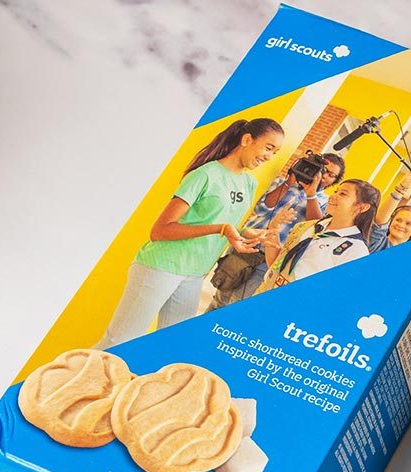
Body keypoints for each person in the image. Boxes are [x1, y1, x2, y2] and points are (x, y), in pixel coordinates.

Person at [96, 118, 283, 348]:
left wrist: (251, 233)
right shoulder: (205, 175)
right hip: (161, 266)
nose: (269, 157)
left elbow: (223, 223)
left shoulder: (249, 184)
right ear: (246, 140)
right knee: (118, 342)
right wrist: (221, 229)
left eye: (275, 152)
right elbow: (160, 230)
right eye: (268, 147)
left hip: (194, 274)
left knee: (171, 346)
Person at [206, 152, 346, 310]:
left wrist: (311, 195)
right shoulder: (283, 183)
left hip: (269, 259)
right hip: (243, 248)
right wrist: (288, 183)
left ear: (334, 181)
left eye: (330, 174)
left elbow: (313, 227)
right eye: (323, 169)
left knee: (239, 306)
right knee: (219, 301)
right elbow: (262, 207)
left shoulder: (325, 202)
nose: (324, 175)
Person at [256, 178, 381, 293]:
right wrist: (273, 230)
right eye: (336, 191)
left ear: (362, 207)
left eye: (343, 194)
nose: (333, 196)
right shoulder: (306, 227)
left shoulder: (355, 250)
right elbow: (276, 265)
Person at [367, 168, 411, 253]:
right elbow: (379, 222)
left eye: (408, 224)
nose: (401, 225)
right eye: (398, 220)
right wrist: (402, 187)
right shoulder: (377, 241)